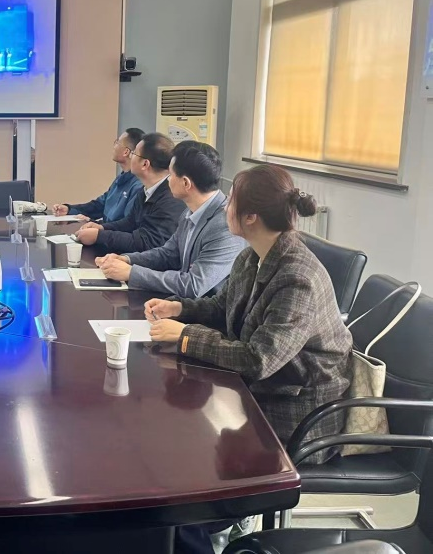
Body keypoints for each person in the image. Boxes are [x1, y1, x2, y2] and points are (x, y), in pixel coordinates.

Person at [146, 164, 351, 454]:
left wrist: (185, 336)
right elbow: (223, 306)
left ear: (251, 217)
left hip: (296, 414)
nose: (225, 207)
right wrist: (179, 308)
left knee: (187, 439)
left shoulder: (297, 279)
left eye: (231, 201)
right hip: (260, 390)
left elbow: (258, 360)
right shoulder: (251, 256)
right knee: (180, 425)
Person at [95, 141, 246, 297]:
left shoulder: (225, 226)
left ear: (186, 183)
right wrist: (126, 259)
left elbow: (194, 285)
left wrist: (131, 273)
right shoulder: (190, 211)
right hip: (181, 303)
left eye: (171, 175)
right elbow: (168, 254)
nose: (167, 180)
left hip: (205, 309)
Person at [74, 132, 185, 253]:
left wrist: (99, 236)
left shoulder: (170, 199)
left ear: (145, 164)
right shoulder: (146, 190)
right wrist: (101, 227)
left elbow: (147, 242)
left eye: (134, 153)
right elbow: (130, 222)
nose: (130, 157)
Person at [52, 128, 145, 223]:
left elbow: (126, 224)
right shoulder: (121, 178)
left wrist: (94, 224)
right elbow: (100, 205)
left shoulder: (138, 186)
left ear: (126, 152)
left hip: (109, 232)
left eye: (117, 142)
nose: (114, 146)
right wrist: (69, 209)